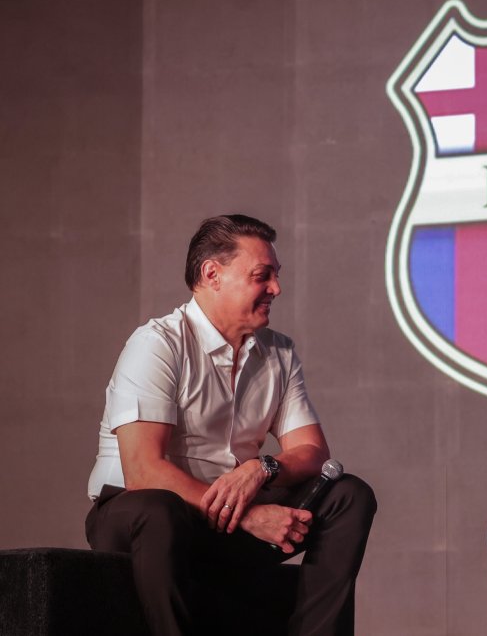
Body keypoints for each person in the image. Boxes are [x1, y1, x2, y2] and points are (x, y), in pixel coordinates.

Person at [85, 214, 377, 636]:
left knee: (349, 495)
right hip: (145, 516)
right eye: (263, 276)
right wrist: (248, 516)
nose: (276, 288)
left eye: (276, 276)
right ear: (212, 275)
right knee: (158, 509)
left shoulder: (278, 352)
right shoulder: (157, 345)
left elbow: (313, 452)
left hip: (227, 518)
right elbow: (142, 471)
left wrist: (262, 468)